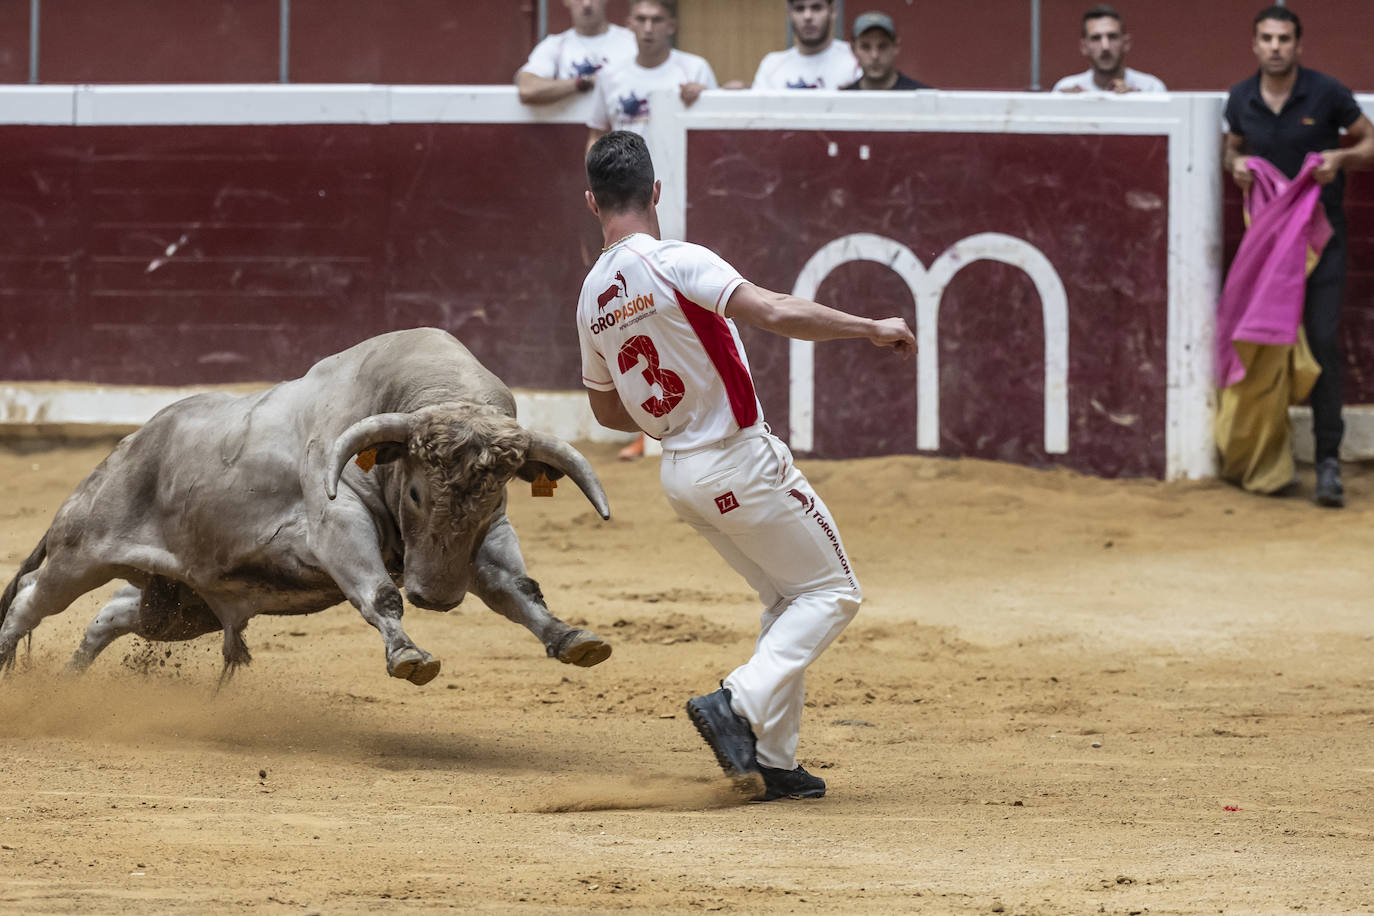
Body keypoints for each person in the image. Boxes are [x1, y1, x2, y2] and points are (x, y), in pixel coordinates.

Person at [576, 131, 916, 800]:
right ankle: (738, 701)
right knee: (832, 592)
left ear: (592, 203)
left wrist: (674, 417)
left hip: (680, 472)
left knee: (786, 597)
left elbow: (609, 413)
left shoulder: (592, 296)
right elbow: (774, 310)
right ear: (657, 191)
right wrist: (868, 328)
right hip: (740, 460)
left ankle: (771, 759)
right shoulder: (675, 259)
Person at [1223, 5, 1374, 507]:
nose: (1275, 47)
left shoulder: (1327, 93)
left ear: (1298, 45)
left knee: (1324, 341)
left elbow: (1371, 142)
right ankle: (1266, 455)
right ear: (1253, 44)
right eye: (1266, 38)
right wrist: (1238, 164)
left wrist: (1341, 158)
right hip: (1267, 248)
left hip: (1319, 243)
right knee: (1265, 345)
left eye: (1284, 39)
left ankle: (1328, 461)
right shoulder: (1241, 98)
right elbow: (1232, 148)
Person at [585, 0, 716, 150]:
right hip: (625, 171)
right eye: (641, 19)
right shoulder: (609, 75)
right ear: (630, 24)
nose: (648, 28)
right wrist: (595, 171)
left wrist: (704, 97)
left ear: (671, 26)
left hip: (680, 170)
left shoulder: (695, 69)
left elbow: (716, 130)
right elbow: (597, 135)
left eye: (657, 20)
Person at [516, 0, 637, 106]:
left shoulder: (632, 42)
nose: (587, 3)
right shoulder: (555, 45)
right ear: (566, 1)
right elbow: (527, 88)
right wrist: (581, 83)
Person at [1052, 5, 1165, 94]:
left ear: (1126, 43)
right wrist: (1068, 107)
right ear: (1084, 47)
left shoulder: (1151, 89)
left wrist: (1139, 104)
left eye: (1112, 37)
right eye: (1096, 38)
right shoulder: (1065, 89)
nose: (1105, 46)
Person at [751, 0, 860, 90]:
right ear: (789, 14)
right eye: (799, 9)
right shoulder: (771, 65)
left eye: (816, 8)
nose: (807, 16)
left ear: (833, 11)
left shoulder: (857, 58)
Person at [841, 11, 931, 91]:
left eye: (882, 46)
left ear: (896, 46)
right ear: (853, 49)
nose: (874, 56)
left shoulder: (920, 97)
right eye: (866, 47)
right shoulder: (842, 100)